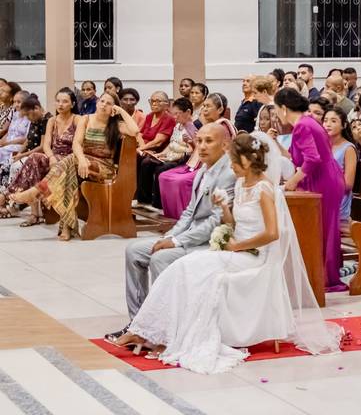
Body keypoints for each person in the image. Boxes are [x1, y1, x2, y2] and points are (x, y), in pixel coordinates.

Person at [109, 132, 341, 372]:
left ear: (248, 161)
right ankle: (148, 330)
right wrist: (224, 209)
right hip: (236, 251)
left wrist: (237, 246)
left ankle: (149, 332)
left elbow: (272, 233)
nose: (231, 166)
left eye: (233, 161)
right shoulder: (242, 184)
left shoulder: (264, 190)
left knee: (193, 270)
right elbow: (234, 226)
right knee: (180, 268)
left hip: (253, 258)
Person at [113, 122, 237, 340]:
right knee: (133, 250)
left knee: (160, 258)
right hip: (187, 236)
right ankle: (139, 322)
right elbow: (189, 212)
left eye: (209, 141)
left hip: (207, 241)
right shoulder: (203, 169)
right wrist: (171, 236)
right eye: (199, 141)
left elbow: (216, 221)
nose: (202, 147)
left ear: (225, 145)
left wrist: (177, 243)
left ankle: (166, 328)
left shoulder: (228, 173)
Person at [11, 92, 139, 240]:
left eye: (109, 103)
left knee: (70, 161)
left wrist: (121, 110)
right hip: (83, 163)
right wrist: (83, 160)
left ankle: (37, 193)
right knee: (69, 173)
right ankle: (66, 225)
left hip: (104, 168)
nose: (104, 104)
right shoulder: (86, 119)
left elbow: (135, 131)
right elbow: (76, 144)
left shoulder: (117, 125)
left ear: (113, 108)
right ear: (97, 103)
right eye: (102, 101)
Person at [276, 88, 348, 292]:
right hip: (322, 177)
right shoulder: (305, 122)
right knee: (320, 228)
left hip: (323, 179)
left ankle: (326, 278)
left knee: (323, 228)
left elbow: (312, 159)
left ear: (283, 108)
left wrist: (292, 181)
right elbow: (296, 156)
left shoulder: (302, 126)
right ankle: (316, 273)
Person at [2, 89, 77, 224]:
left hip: (70, 157)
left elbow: (76, 145)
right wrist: (52, 157)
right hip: (53, 156)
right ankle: (23, 203)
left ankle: (11, 197)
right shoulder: (52, 121)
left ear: (72, 104)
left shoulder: (78, 119)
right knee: (34, 158)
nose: (60, 104)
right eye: (58, 101)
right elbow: (47, 145)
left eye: (65, 101)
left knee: (30, 160)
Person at [136, 98, 195, 209]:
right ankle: (144, 200)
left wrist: (170, 159)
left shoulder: (193, 128)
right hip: (171, 155)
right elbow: (171, 144)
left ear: (188, 112)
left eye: (177, 114)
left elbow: (192, 151)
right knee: (147, 163)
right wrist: (161, 154)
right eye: (174, 114)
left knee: (161, 169)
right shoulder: (178, 126)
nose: (175, 117)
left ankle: (159, 204)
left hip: (181, 159)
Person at [323, 108, 358, 228]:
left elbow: (348, 184)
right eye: (325, 120)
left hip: (337, 202)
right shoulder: (322, 145)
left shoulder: (348, 149)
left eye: (333, 121)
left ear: (343, 125)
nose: (328, 124)